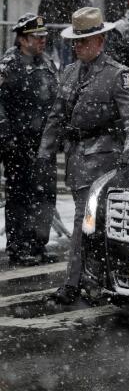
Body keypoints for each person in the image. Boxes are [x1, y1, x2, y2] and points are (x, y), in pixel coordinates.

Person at [38, 7, 129, 304]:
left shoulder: (118, 75)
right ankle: (93, 278)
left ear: (100, 41)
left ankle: (74, 282)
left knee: (84, 221)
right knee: (91, 224)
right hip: (77, 157)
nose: (78, 46)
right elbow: (56, 115)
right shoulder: (71, 71)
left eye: (84, 41)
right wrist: (45, 151)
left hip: (104, 160)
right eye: (75, 41)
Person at [0, 15, 59, 266]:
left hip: (43, 143)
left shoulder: (47, 63)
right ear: (23, 39)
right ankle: (18, 246)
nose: (43, 41)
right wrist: (7, 136)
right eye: (37, 37)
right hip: (18, 142)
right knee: (19, 195)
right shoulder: (8, 65)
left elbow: (57, 98)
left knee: (44, 195)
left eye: (45, 37)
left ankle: (38, 244)